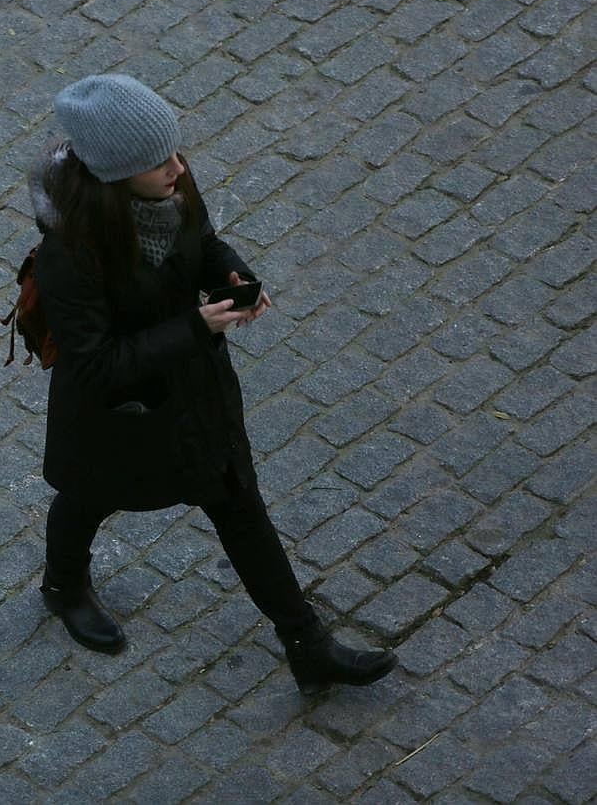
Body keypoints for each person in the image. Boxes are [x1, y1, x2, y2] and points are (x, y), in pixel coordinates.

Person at [29, 73, 396, 695]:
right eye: (158, 162)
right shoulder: (72, 254)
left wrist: (231, 272)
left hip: (197, 400)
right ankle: (64, 584)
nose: (177, 168)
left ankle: (307, 644)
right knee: (87, 497)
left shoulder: (168, 188)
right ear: (115, 175)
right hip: (120, 420)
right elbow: (92, 368)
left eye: (176, 151)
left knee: (239, 506)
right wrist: (195, 326)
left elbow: (201, 240)